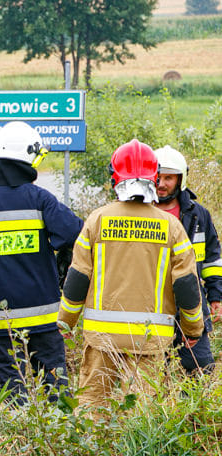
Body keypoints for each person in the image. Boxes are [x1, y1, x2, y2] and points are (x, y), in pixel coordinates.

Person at [59, 140, 204, 411]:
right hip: (150, 338)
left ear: (115, 177)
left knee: (92, 404)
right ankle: (134, 454)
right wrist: (193, 329)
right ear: (154, 177)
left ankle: (92, 453)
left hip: (101, 337)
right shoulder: (171, 226)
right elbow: (186, 284)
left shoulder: (97, 220)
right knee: (140, 410)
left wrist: (66, 323)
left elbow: (77, 279)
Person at [0, 121, 82, 403]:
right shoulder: (39, 199)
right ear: (26, 157)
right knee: (53, 382)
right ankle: (58, 437)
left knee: (10, 384)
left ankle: (16, 438)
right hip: (42, 313)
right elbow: (76, 232)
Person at [154, 145, 219, 374]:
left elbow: (212, 258)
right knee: (152, 371)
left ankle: (193, 411)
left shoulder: (198, 214)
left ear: (181, 179)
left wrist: (216, 296)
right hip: (153, 302)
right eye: (157, 177)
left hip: (192, 302)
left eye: (168, 178)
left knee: (200, 369)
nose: (161, 184)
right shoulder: (141, 211)